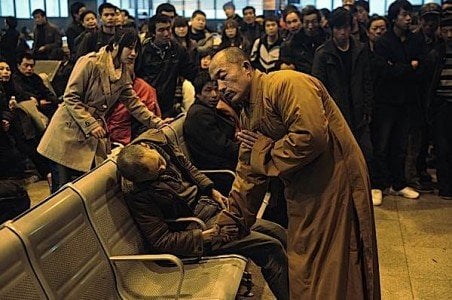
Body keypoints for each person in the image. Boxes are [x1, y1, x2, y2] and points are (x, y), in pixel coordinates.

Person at [209, 47, 380, 299]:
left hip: (335, 182)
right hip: (303, 191)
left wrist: (264, 150)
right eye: (214, 81)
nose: (219, 87)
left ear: (246, 67)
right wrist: (230, 224)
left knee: (334, 265)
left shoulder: (287, 82)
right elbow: (249, 173)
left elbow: (310, 137)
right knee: (305, 264)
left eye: (223, 75)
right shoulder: (247, 111)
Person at [116, 129, 289, 300]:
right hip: (198, 229)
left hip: (210, 210)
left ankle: (302, 287)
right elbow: (161, 241)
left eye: (160, 162)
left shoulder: (159, 142)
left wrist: (210, 189)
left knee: (277, 231)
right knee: (270, 248)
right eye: (157, 173)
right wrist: (206, 236)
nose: (163, 168)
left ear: (147, 147)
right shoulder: (136, 192)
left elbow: (187, 166)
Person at [37, 29, 166, 192]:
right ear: (115, 45)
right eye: (129, 48)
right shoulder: (90, 62)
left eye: (136, 49)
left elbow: (134, 103)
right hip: (66, 132)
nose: (133, 53)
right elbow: (70, 97)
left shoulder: (123, 70)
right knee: (61, 190)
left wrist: (158, 123)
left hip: (91, 135)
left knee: (85, 186)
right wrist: (90, 124)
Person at [372, 0, 425, 200]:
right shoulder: (384, 42)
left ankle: (398, 183)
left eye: (409, 14)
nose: (408, 18)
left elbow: (422, 67)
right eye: (404, 15)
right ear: (394, 18)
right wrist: (408, 67)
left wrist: (400, 67)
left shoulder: (415, 40)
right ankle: (377, 183)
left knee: (400, 146)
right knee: (382, 144)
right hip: (386, 101)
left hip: (407, 101)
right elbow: (384, 71)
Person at [138, 14, 198, 117]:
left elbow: (191, 72)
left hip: (168, 105)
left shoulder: (178, 50)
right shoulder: (142, 52)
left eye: (168, 29)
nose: (166, 33)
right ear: (153, 33)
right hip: (146, 104)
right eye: (161, 30)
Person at [425, 15, 452, 199]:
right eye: (445, 31)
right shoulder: (436, 53)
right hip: (442, 105)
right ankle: (445, 187)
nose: (449, 34)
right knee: (443, 148)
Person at [12, 52, 58, 119]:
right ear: (19, 66)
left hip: (44, 106)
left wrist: (55, 101)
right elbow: (21, 93)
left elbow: (46, 91)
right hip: (28, 107)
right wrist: (39, 101)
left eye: (31, 66)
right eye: (26, 65)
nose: (29, 68)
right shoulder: (15, 78)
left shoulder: (36, 78)